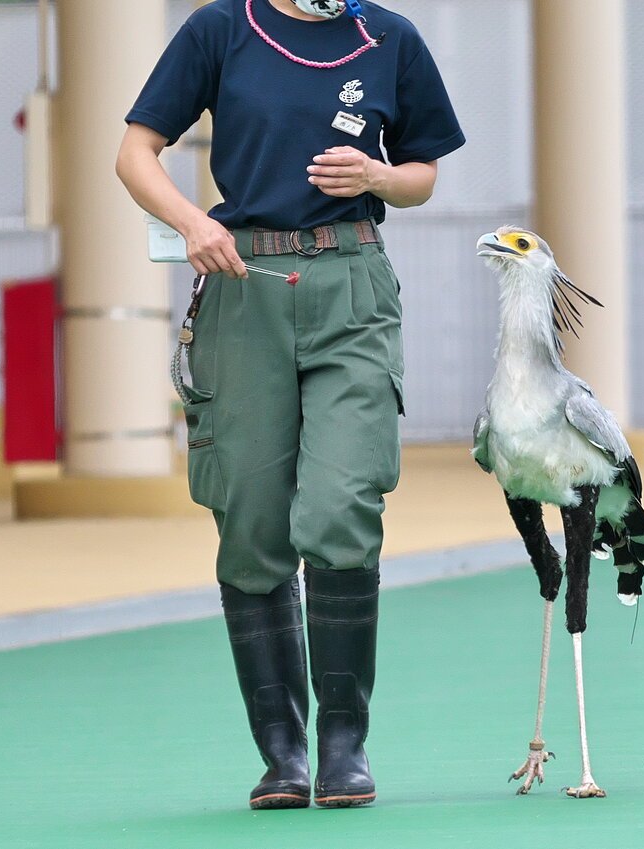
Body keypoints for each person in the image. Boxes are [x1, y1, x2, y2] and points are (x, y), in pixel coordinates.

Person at [115, 0, 464, 810]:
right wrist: (191, 220)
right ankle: (283, 753)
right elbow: (136, 152)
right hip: (245, 284)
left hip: (352, 283)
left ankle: (345, 744)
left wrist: (378, 177)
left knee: (343, 501)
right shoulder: (219, 29)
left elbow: (423, 172)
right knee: (250, 519)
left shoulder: (390, 37)